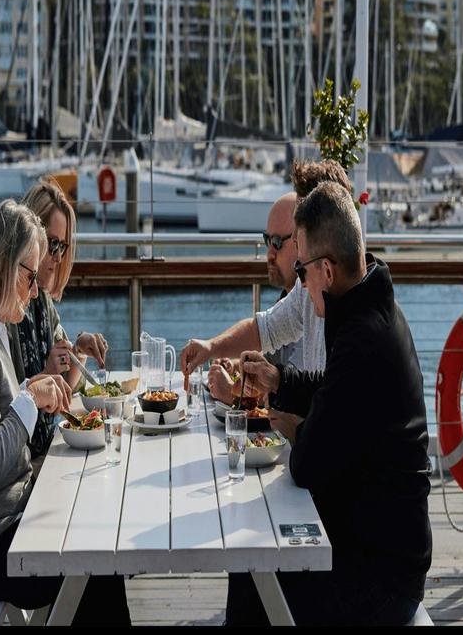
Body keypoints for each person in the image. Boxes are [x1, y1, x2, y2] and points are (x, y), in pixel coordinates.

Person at [234, 181, 433, 626]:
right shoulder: (369, 306)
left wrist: (285, 424)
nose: (299, 284)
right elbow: (335, 390)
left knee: (253, 576)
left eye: (301, 271)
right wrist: (279, 379)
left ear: (325, 270)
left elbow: (308, 463)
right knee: (254, 563)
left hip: (382, 578)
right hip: (380, 547)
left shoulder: (363, 336)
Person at [0, 199, 130, 623]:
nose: (36, 288)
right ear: (4, 266)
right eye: (30, 276)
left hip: (2, 524)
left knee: (99, 553)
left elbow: (0, 420)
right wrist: (29, 398)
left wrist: (29, 390)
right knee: (96, 567)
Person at [181, 161, 353, 385]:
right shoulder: (308, 289)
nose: (294, 239)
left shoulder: (360, 325)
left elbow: (324, 402)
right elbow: (263, 330)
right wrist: (211, 347)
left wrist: (240, 393)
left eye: (298, 228)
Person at [8, 179, 110, 461]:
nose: (56, 256)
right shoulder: (7, 309)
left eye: (62, 247)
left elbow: (66, 384)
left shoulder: (43, 302)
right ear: (30, 236)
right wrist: (48, 372)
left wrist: (77, 351)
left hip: (43, 452)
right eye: (52, 244)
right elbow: (8, 404)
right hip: (24, 463)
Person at [203, 191, 298, 404]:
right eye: (267, 240)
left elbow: (296, 397)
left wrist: (231, 395)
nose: (269, 254)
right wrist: (237, 365)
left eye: (277, 242)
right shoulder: (291, 298)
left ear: (303, 240)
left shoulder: (316, 304)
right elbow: (264, 340)